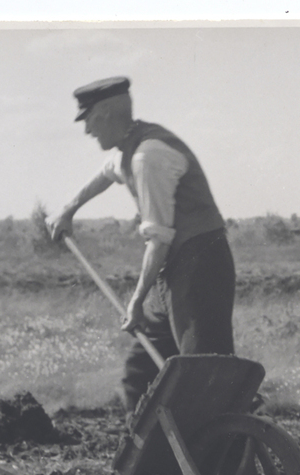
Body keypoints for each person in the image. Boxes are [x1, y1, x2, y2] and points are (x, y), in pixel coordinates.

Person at [49, 76, 236, 413]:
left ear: (105, 114)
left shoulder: (147, 158)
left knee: (206, 380)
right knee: (140, 375)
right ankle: (157, 461)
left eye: (88, 120)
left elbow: (159, 241)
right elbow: (106, 173)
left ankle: (229, 456)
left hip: (200, 269)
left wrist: (135, 302)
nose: (87, 131)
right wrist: (68, 210)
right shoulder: (129, 148)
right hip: (175, 274)